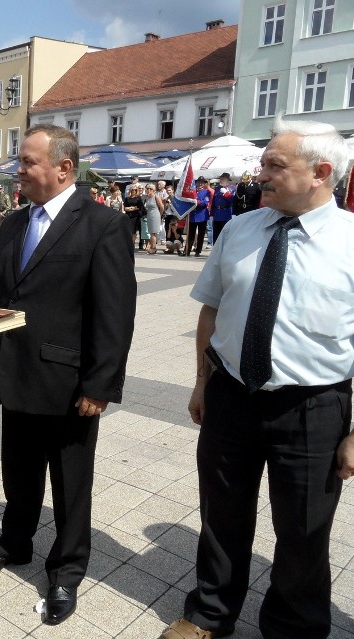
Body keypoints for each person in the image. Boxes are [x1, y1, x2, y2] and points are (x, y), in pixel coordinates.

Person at [160, 117, 354, 639]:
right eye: (262, 162)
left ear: (321, 172)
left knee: (303, 529)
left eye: (274, 164)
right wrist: (202, 384)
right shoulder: (241, 229)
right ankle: (209, 614)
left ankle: (294, 626)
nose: (259, 172)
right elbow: (211, 312)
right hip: (231, 396)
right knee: (221, 514)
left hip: (312, 408)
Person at [0, 125, 136, 627]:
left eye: (27, 161)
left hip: (69, 382)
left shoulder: (102, 224)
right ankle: (15, 542)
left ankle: (65, 569)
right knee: (17, 470)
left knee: (70, 482)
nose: (19, 169)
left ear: (64, 168)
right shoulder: (16, 223)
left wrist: (100, 384)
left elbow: (114, 313)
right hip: (15, 371)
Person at [184, 176, 212, 257]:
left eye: (202, 182)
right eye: (199, 182)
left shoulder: (207, 192)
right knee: (190, 234)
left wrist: (197, 202)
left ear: (204, 184)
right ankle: (187, 250)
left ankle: (198, 251)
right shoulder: (192, 191)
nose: (200, 184)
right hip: (192, 215)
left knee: (201, 234)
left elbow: (205, 202)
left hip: (202, 215)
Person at [210, 172, 235, 243]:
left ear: (228, 180)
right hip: (217, 214)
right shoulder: (217, 188)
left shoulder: (232, 188)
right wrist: (212, 213)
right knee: (216, 235)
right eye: (220, 179)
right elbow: (214, 201)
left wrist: (226, 194)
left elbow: (233, 201)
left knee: (225, 235)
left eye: (223, 179)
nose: (221, 180)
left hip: (226, 213)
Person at [143, 183, 164, 254]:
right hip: (149, 215)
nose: (149, 190)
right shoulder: (147, 197)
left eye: (151, 189)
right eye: (148, 189)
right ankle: (152, 246)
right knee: (151, 232)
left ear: (154, 190)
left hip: (155, 214)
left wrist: (159, 215)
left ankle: (153, 248)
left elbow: (162, 207)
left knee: (153, 232)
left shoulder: (156, 197)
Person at [123, 184, 145, 250]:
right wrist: (132, 208)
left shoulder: (138, 198)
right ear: (130, 190)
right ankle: (129, 243)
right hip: (128, 216)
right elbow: (125, 208)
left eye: (135, 190)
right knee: (129, 231)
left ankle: (133, 243)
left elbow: (140, 207)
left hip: (135, 216)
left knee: (134, 231)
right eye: (132, 190)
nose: (134, 191)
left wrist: (133, 209)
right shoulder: (127, 198)